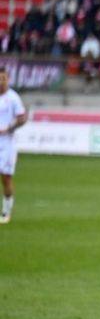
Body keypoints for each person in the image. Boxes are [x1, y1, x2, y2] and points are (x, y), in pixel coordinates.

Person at [0, 66, 27, 224]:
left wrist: (9, 128)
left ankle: (6, 212)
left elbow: (22, 118)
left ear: (8, 79)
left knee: (6, 177)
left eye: (4, 78)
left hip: (7, 143)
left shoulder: (13, 98)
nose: (1, 81)